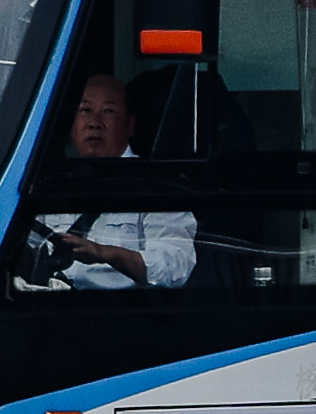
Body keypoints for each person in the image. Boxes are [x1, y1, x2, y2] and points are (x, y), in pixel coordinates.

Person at [22, 73, 193, 290]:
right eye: (85, 110)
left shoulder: (157, 183)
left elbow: (174, 265)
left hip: (120, 306)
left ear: (130, 125)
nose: (94, 123)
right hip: (47, 301)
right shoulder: (50, 181)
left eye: (108, 111)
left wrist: (105, 253)